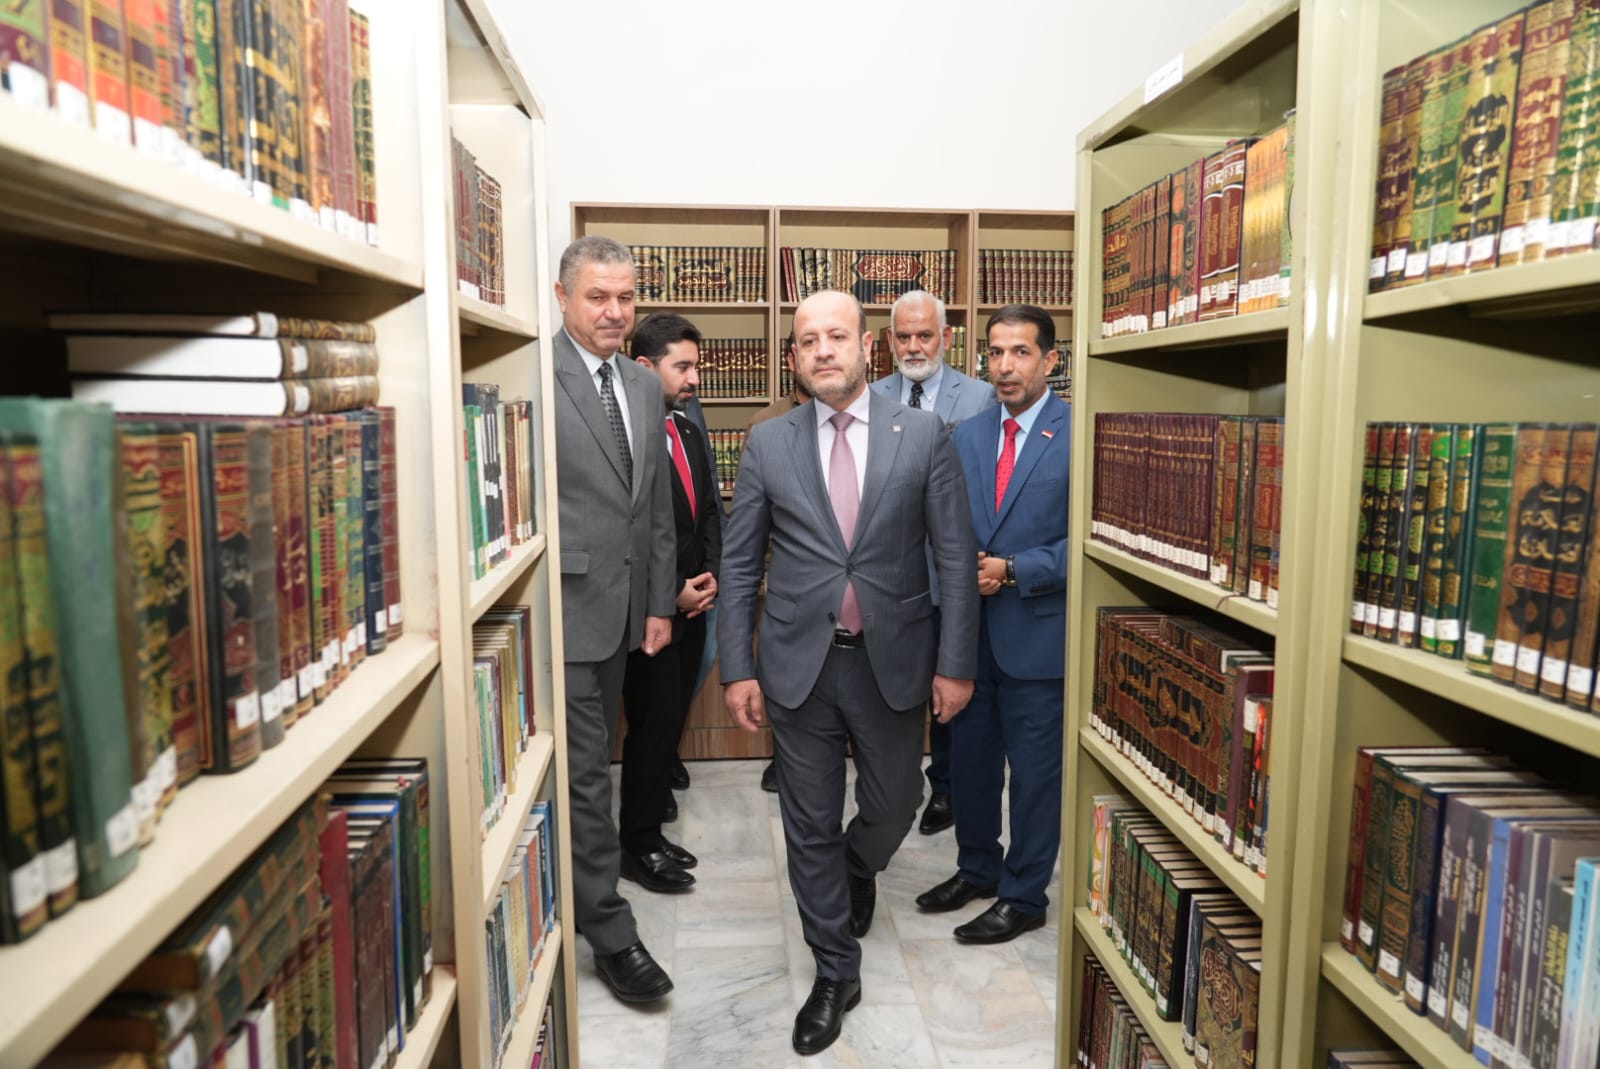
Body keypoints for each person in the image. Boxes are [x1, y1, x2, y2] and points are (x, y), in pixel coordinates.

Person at [718, 291, 979, 1055]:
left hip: (892, 660)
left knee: (896, 803)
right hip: (798, 663)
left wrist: (956, 663)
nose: (823, 350)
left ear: (868, 347)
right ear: (794, 358)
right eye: (808, 340)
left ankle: (857, 864)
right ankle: (835, 968)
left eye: (837, 336)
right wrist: (737, 666)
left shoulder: (923, 434)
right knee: (807, 821)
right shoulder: (769, 442)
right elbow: (740, 565)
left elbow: (955, 558)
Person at [915, 303, 1069, 946]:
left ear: (1050, 360)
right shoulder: (966, 435)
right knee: (971, 768)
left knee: (1034, 779)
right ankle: (977, 869)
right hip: (968, 636)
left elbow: (1094, 542)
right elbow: (939, 527)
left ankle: (1024, 895)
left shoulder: (1079, 433)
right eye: (995, 352)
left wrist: (1014, 570)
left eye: (1021, 352)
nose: (1005, 366)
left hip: (1039, 639)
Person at [551, 236, 678, 1003]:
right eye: (598, 296)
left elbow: (653, 504)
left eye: (626, 297)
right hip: (565, 612)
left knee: (598, 766)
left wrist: (658, 601)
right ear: (562, 296)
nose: (614, 311)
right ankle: (608, 930)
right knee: (587, 780)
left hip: (628, 613)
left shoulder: (641, 383)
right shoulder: (534, 374)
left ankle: (585, 894)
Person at [869, 290, 996, 835]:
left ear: (946, 337)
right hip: (888, 575)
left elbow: (986, 486)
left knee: (951, 683)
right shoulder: (871, 396)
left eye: (925, 335)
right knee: (892, 687)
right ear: (889, 341)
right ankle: (891, 786)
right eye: (903, 336)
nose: (914, 346)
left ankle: (944, 786)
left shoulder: (982, 398)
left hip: (951, 572)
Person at [618, 313, 721, 893]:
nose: (694, 379)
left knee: (671, 722)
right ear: (643, 368)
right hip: (652, 610)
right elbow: (631, 533)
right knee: (652, 726)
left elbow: (708, 513)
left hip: (695, 605)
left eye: (695, 367)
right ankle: (637, 844)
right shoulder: (627, 440)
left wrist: (709, 578)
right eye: (682, 367)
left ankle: (651, 830)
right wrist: (671, 589)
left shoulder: (687, 430)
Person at [749, 335, 809, 795]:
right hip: (783, 573)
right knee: (786, 670)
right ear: (790, 358)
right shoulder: (765, 424)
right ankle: (782, 755)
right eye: (807, 345)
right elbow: (754, 516)